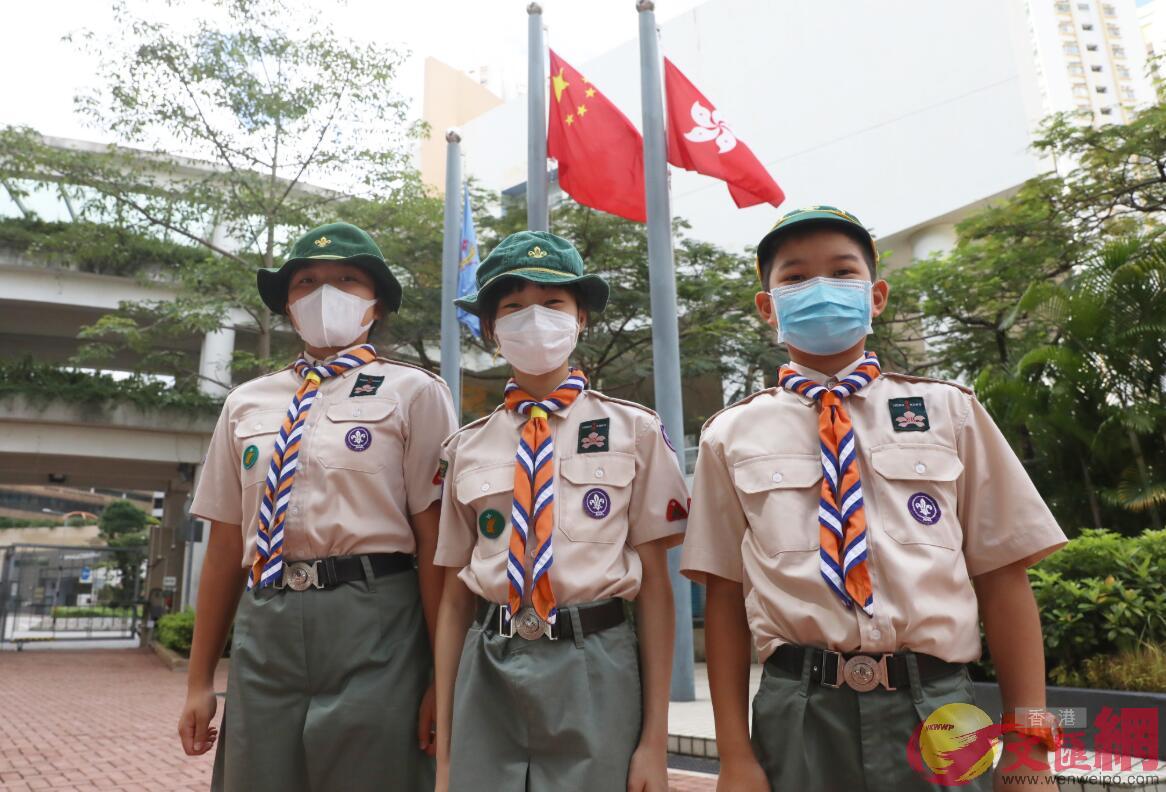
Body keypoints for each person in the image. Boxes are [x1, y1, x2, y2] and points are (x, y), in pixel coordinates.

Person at [680, 206, 1068, 791]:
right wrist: (735, 756)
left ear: (876, 296)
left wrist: (1029, 743)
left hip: (935, 704)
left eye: (842, 273)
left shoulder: (950, 412)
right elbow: (727, 598)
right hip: (798, 710)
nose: (821, 290)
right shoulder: (730, 435)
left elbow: (1003, 577)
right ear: (767, 307)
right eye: (794, 278)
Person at [178, 222, 455, 792]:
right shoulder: (245, 403)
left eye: (347, 279)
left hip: (378, 619)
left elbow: (436, 540)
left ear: (375, 303)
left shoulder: (414, 392)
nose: (325, 291)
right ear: (287, 304)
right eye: (307, 281)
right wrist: (199, 680)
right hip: (268, 621)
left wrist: (439, 678)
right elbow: (228, 542)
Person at [431, 230, 687, 792]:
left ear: (581, 319)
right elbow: (453, 598)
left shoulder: (635, 431)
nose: (534, 319)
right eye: (513, 307)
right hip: (489, 662)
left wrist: (653, 743)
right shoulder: (465, 447)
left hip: (595, 662)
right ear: (493, 330)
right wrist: (447, 755)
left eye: (553, 303)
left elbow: (655, 591)